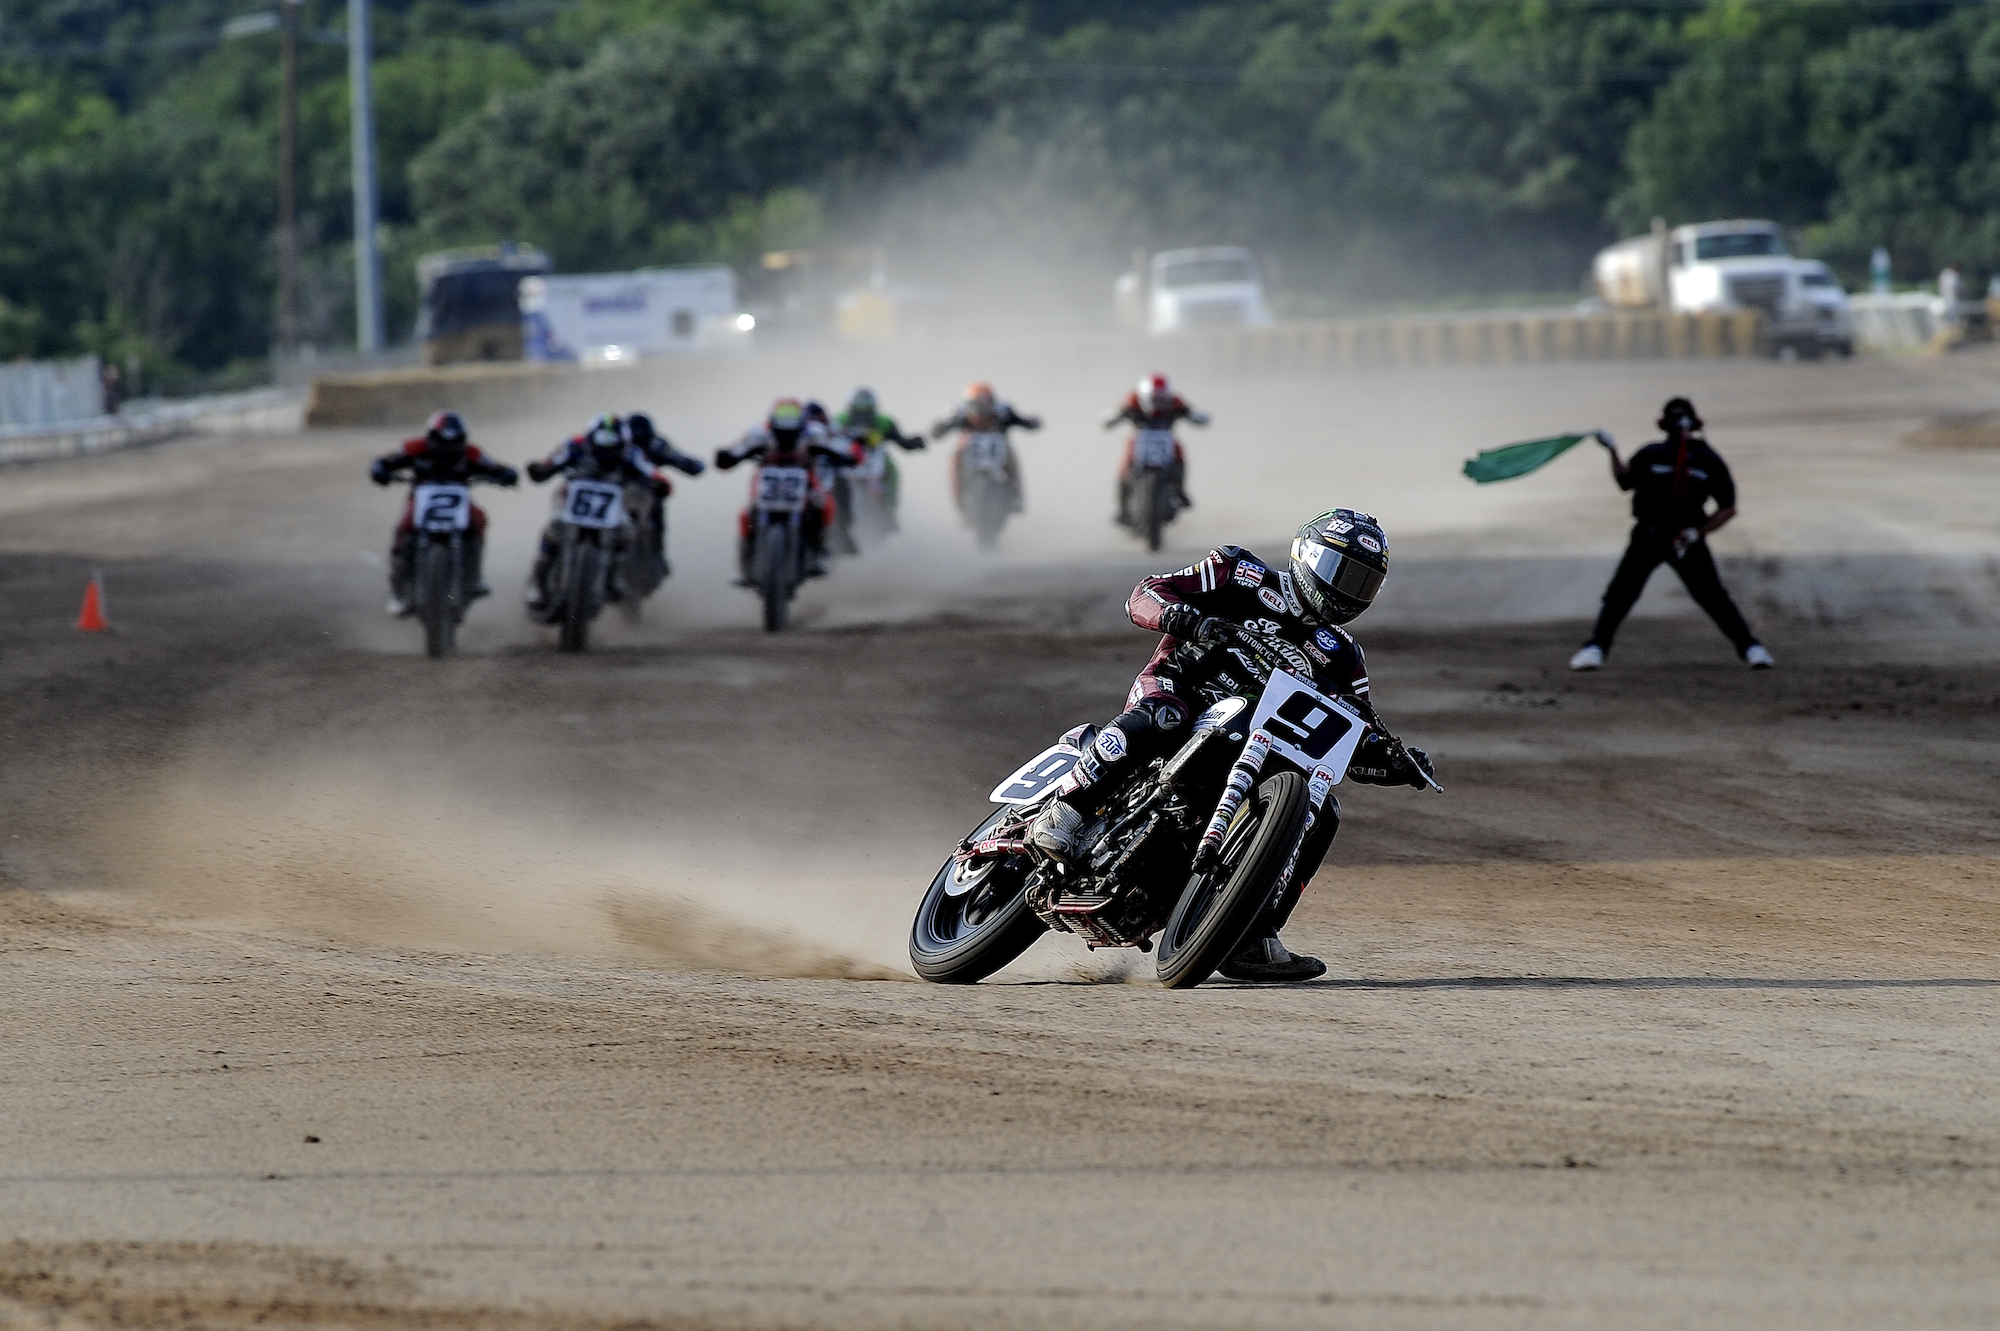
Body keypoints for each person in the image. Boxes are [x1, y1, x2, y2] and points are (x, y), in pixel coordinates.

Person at [1028, 509, 1436, 982]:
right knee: (1164, 717)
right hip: (1182, 692)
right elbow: (1146, 593)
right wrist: (1181, 617)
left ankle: (1253, 935)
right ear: (1307, 554)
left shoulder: (1344, 656)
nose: (1347, 588)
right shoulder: (1240, 572)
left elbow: (1344, 742)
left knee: (1325, 812)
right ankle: (1069, 808)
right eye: (1340, 570)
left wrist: (1393, 762)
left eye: (1362, 581)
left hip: (1257, 749)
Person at [1569, 397, 1773, 671]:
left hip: (1685, 539)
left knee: (1713, 597)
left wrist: (1698, 532)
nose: (1681, 429)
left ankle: (1751, 648)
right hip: (1648, 536)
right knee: (1620, 594)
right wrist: (1612, 450)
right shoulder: (1650, 454)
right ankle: (1595, 648)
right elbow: (1624, 481)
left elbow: (1728, 507)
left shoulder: (1708, 460)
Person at [368, 410, 518, 617]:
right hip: (421, 498)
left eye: (453, 443)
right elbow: (385, 460)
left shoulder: (471, 452)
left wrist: (506, 474)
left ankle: (474, 576)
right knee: (403, 530)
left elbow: (494, 465)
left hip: (458, 499)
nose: (447, 449)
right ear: (430, 437)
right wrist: (380, 470)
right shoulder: (414, 447)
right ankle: (398, 591)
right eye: (441, 442)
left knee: (479, 519)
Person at [523, 413, 670, 612]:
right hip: (572, 497)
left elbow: (652, 472)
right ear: (591, 438)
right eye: (602, 443)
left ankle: (614, 575)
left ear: (623, 442)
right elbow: (550, 462)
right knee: (554, 528)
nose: (607, 450)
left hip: (612, 502)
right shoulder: (574, 445)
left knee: (627, 531)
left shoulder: (632, 453)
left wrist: (660, 483)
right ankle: (538, 582)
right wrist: (541, 469)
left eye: (613, 445)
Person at [714, 397, 852, 580]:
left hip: (805, 480)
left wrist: (848, 456)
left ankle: (820, 551)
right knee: (746, 515)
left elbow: (837, 446)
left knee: (824, 503)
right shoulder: (760, 433)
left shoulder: (814, 432)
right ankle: (745, 565)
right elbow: (738, 448)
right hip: (766, 482)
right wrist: (727, 457)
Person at [1104, 372, 1206, 525]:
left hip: (1165, 438)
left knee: (1178, 452)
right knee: (1125, 464)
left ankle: (1179, 490)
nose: (1157, 404)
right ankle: (1123, 509)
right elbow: (1117, 412)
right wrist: (1113, 417)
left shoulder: (1175, 401)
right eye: (1154, 399)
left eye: (1161, 400)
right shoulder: (1133, 399)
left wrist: (1196, 416)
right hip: (1139, 438)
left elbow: (1191, 413)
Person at [930, 382, 1040, 516]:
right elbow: (943, 426)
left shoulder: (1003, 410)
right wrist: (939, 428)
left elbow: (1021, 421)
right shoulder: (960, 411)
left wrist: (1030, 423)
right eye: (978, 405)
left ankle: (1017, 496)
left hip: (998, 445)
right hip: (969, 446)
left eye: (986, 404)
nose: (982, 410)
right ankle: (958, 500)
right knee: (954, 460)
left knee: (1011, 460)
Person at [833, 387, 925, 539]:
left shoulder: (884, 423)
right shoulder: (840, 420)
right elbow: (826, 437)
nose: (862, 418)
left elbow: (901, 441)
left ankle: (890, 510)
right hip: (848, 459)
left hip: (876, 459)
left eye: (866, 412)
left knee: (893, 471)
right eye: (858, 412)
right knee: (832, 476)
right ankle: (835, 516)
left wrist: (914, 443)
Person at [622, 412, 706, 576]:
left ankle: (656, 556)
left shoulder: (657, 446)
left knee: (656, 507)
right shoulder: (609, 444)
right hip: (615, 494)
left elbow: (681, 459)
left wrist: (693, 465)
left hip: (645, 495)